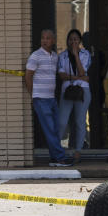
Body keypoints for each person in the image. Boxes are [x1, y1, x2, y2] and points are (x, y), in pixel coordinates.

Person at [25, 29, 71, 167]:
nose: (45, 40)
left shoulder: (55, 56)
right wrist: (33, 95)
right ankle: (60, 157)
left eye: (48, 38)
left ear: (53, 41)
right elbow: (28, 76)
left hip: (51, 98)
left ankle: (54, 158)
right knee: (50, 129)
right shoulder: (35, 56)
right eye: (43, 38)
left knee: (56, 128)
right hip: (40, 98)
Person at [56, 29, 91, 164]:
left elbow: (83, 70)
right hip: (67, 91)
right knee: (62, 121)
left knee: (80, 121)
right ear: (67, 40)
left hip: (82, 91)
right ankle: (57, 151)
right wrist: (79, 77)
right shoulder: (62, 56)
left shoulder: (85, 54)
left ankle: (78, 151)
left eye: (76, 39)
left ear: (80, 41)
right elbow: (62, 76)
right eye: (71, 39)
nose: (73, 41)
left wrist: (76, 55)